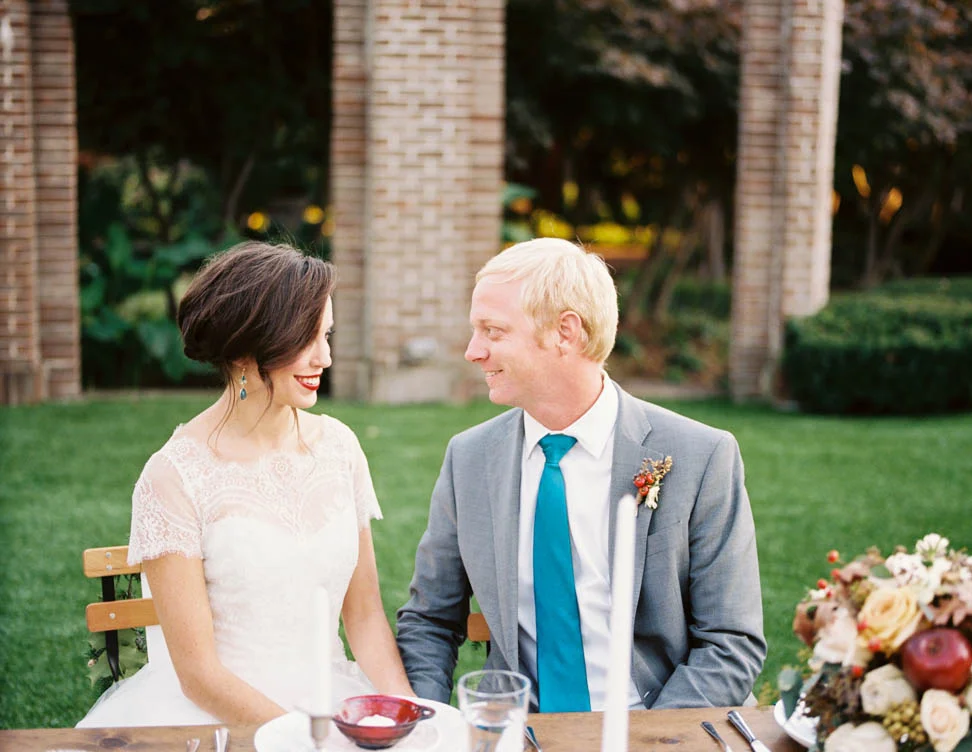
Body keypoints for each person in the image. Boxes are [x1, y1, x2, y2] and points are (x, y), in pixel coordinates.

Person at [396, 237, 765, 711]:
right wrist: (430, 723)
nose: (472, 351)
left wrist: (644, 744)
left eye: (493, 331)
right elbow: (429, 619)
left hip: (654, 725)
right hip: (518, 730)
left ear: (565, 333)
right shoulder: (469, 458)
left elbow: (731, 643)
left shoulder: (701, 455)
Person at [78, 241, 414, 728]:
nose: (325, 357)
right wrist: (304, 740)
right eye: (307, 338)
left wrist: (405, 712)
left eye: (328, 336)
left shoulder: (341, 448)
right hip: (218, 715)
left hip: (332, 697)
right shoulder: (174, 476)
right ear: (243, 348)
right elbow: (198, 674)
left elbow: (363, 619)